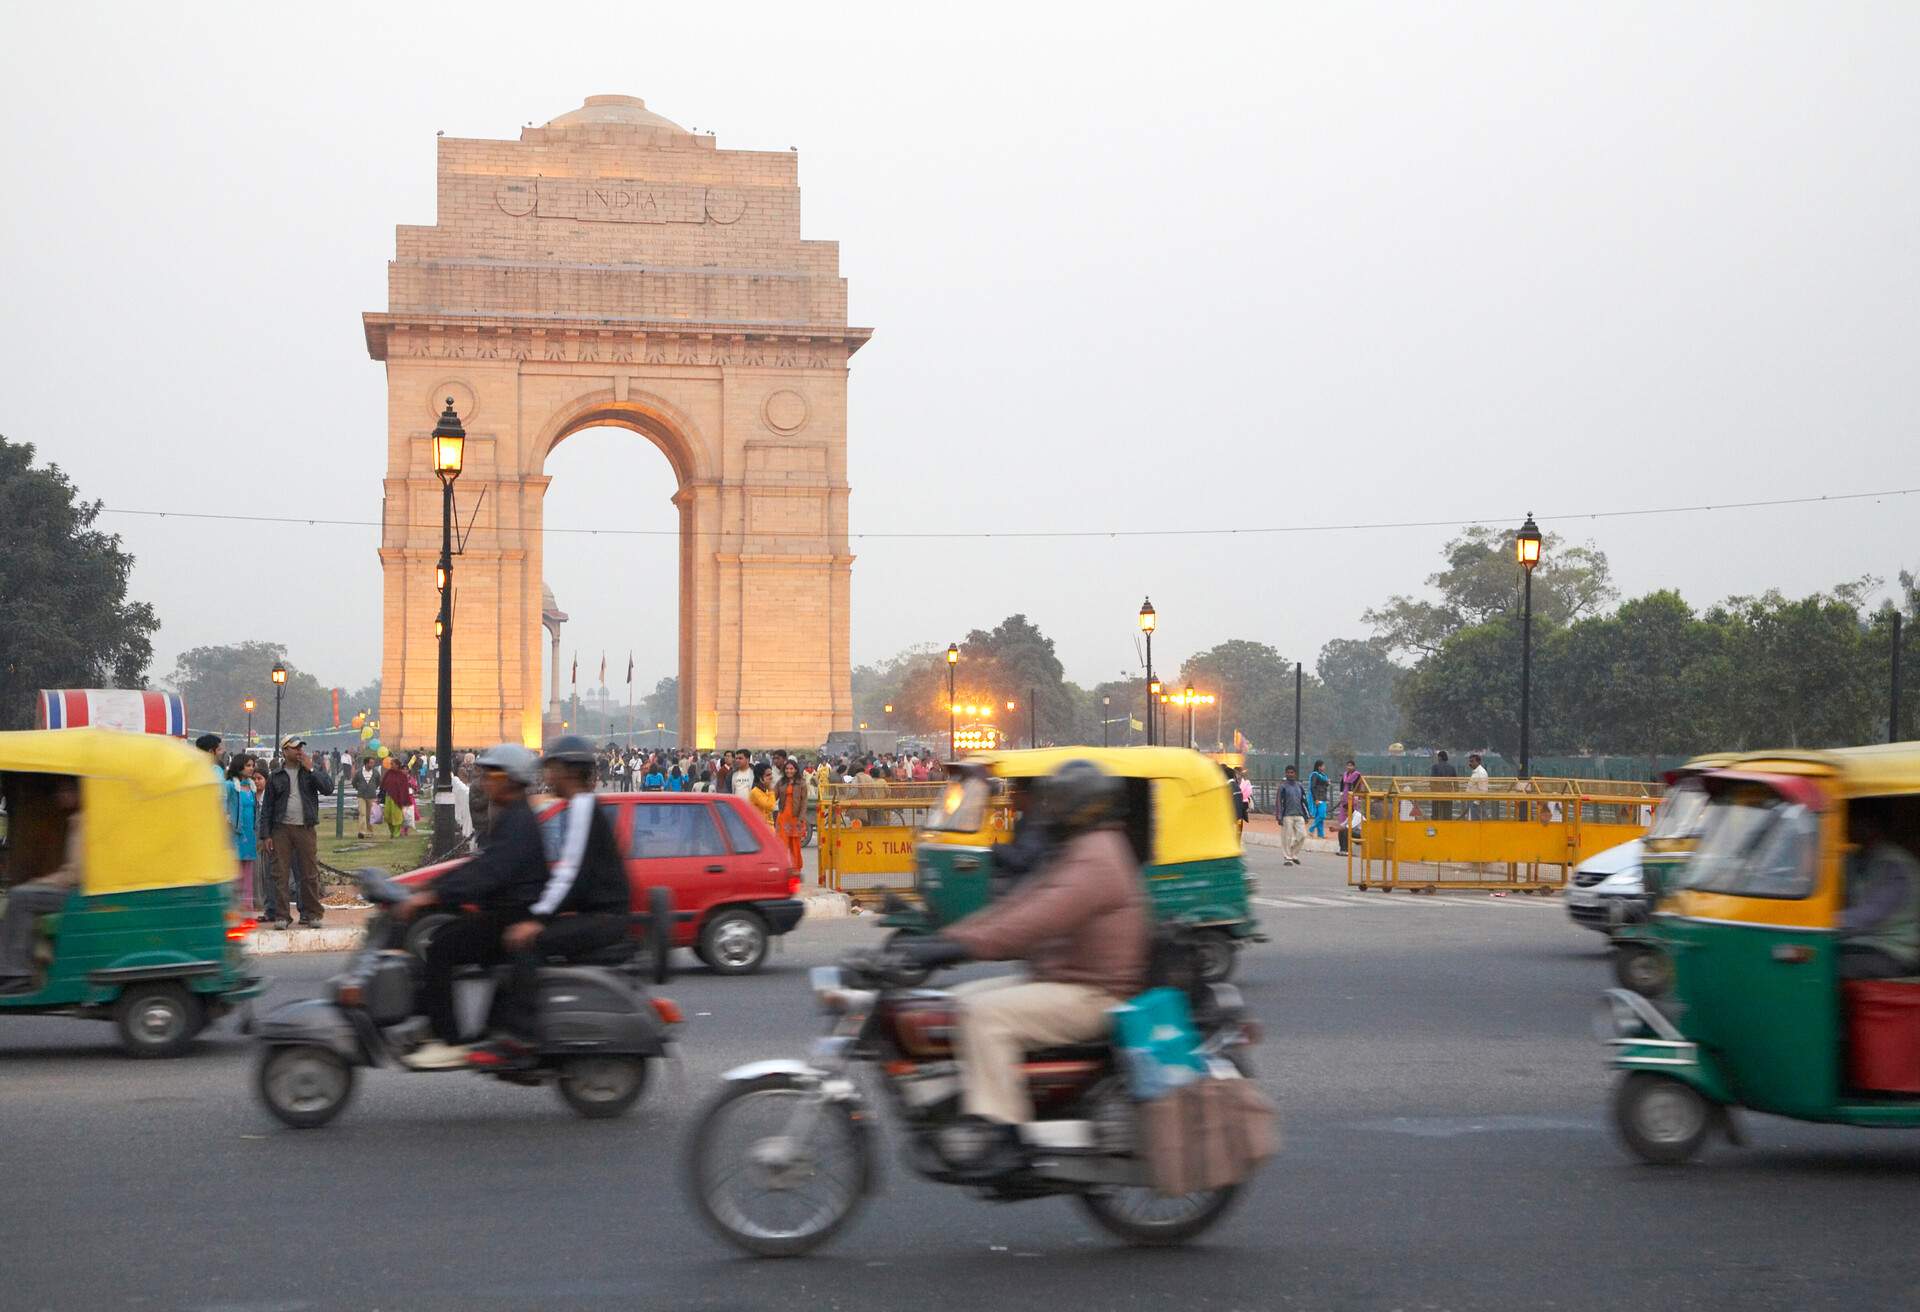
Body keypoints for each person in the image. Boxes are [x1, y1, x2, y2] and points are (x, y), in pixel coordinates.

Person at [888, 760, 1147, 1175]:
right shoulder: (1080, 848)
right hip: (1064, 978)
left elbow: (1034, 921)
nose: (1050, 811)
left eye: (1060, 803)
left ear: (1081, 808)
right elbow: (1019, 906)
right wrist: (946, 940)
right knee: (950, 1003)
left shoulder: (1095, 859)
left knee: (983, 1014)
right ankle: (969, 1104)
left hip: (1095, 993)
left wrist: (957, 947)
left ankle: (1004, 1134)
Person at [395, 745, 550, 1068]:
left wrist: (433, 896)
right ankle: (431, 1024)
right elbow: (481, 865)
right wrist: (434, 887)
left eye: (493, 775)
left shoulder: (518, 822)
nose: (486, 782)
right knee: (444, 936)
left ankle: (447, 1039)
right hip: (503, 909)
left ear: (512, 780)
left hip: (511, 917)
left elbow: (489, 873)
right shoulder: (513, 817)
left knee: (440, 946)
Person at [0, 777, 83, 994]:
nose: (59, 796)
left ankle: (17, 974)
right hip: (75, 890)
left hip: (78, 894)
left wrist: (43, 882)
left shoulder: (83, 821)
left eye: (65, 791)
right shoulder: (75, 819)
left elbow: (75, 874)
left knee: (21, 897)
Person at [1839, 801, 1920, 979]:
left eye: (1853, 820)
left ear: (1872, 825)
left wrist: (1821, 921)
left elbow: (1870, 914)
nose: (1846, 825)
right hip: (1859, 945)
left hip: (1891, 951)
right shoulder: (1853, 858)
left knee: (1822, 970)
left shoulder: (1896, 864)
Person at [263, 738, 334, 930]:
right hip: (281, 829)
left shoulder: (309, 772)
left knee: (309, 873)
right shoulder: (275, 776)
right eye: (295, 748)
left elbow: (328, 789)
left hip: (305, 827)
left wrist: (311, 769)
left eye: (301, 747)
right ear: (285, 751)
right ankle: (282, 915)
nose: (299, 751)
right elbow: (267, 808)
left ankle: (312, 914)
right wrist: (266, 835)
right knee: (280, 874)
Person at [224, 755, 260, 911]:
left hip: (249, 833)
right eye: (248, 765)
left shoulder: (251, 787)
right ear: (239, 767)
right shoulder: (230, 786)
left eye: (252, 765)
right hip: (235, 832)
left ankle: (247, 904)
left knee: (248, 869)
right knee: (234, 868)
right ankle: (233, 904)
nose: (252, 768)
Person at [775, 758, 807, 875]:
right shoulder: (781, 782)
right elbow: (773, 796)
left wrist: (801, 818)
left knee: (795, 845)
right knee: (782, 845)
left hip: (796, 818)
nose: (789, 771)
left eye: (791, 769)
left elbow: (804, 802)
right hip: (783, 817)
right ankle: (783, 869)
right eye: (787, 769)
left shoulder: (802, 783)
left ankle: (796, 869)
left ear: (795, 770)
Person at [1275, 764, 1310, 866]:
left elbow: (1304, 801)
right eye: (1288, 772)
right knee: (1287, 837)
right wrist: (1279, 816)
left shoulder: (1299, 786)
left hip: (1299, 815)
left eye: (1292, 772)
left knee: (1303, 835)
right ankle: (1288, 858)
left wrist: (1306, 815)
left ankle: (1293, 853)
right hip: (1287, 816)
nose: (1290, 774)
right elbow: (1278, 802)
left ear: (1295, 774)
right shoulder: (1282, 787)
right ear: (1285, 773)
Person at [380, 755, 416, 838]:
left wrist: (404, 800)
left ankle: (396, 833)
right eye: (391, 764)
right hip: (388, 797)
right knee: (388, 816)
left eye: (392, 764)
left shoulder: (402, 776)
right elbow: (383, 785)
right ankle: (392, 832)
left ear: (397, 765)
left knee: (397, 816)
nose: (391, 765)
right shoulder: (388, 773)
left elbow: (404, 789)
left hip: (398, 799)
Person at [1430, 749, 1458, 821]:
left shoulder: (1435, 767)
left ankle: (1436, 826)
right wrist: (1456, 793)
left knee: (1435, 813)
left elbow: (1432, 781)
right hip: (1448, 793)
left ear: (1440, 757)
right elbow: (1456, 782)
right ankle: (1447, 827)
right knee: (1447, 813)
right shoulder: (1452, 768)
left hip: (1437, 793)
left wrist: (1432, 791)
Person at [1307, 760, 1331, 838]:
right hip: (1318, 798)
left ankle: (1321, 834)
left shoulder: (1323, 775)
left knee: (1319, 817)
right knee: (1322, 815)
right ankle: (1311, 829)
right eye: (1323, 766)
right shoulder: (1315, 775)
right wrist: (1315, 799)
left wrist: (1327, 783)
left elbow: (1324, 785)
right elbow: (1312, 787)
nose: (1324, 767)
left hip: (1323, 797)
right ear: (1319, 767)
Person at [1466, 753, 1490, 820]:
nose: (1470, 763)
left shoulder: (1481, 773)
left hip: (1477, 803)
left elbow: (1483, 790)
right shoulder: (1476, 772)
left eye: (1472, 761)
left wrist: (1476, 803)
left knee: (1477, 822)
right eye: (1470, 761)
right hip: (1473, 801)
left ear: (1478, 762)